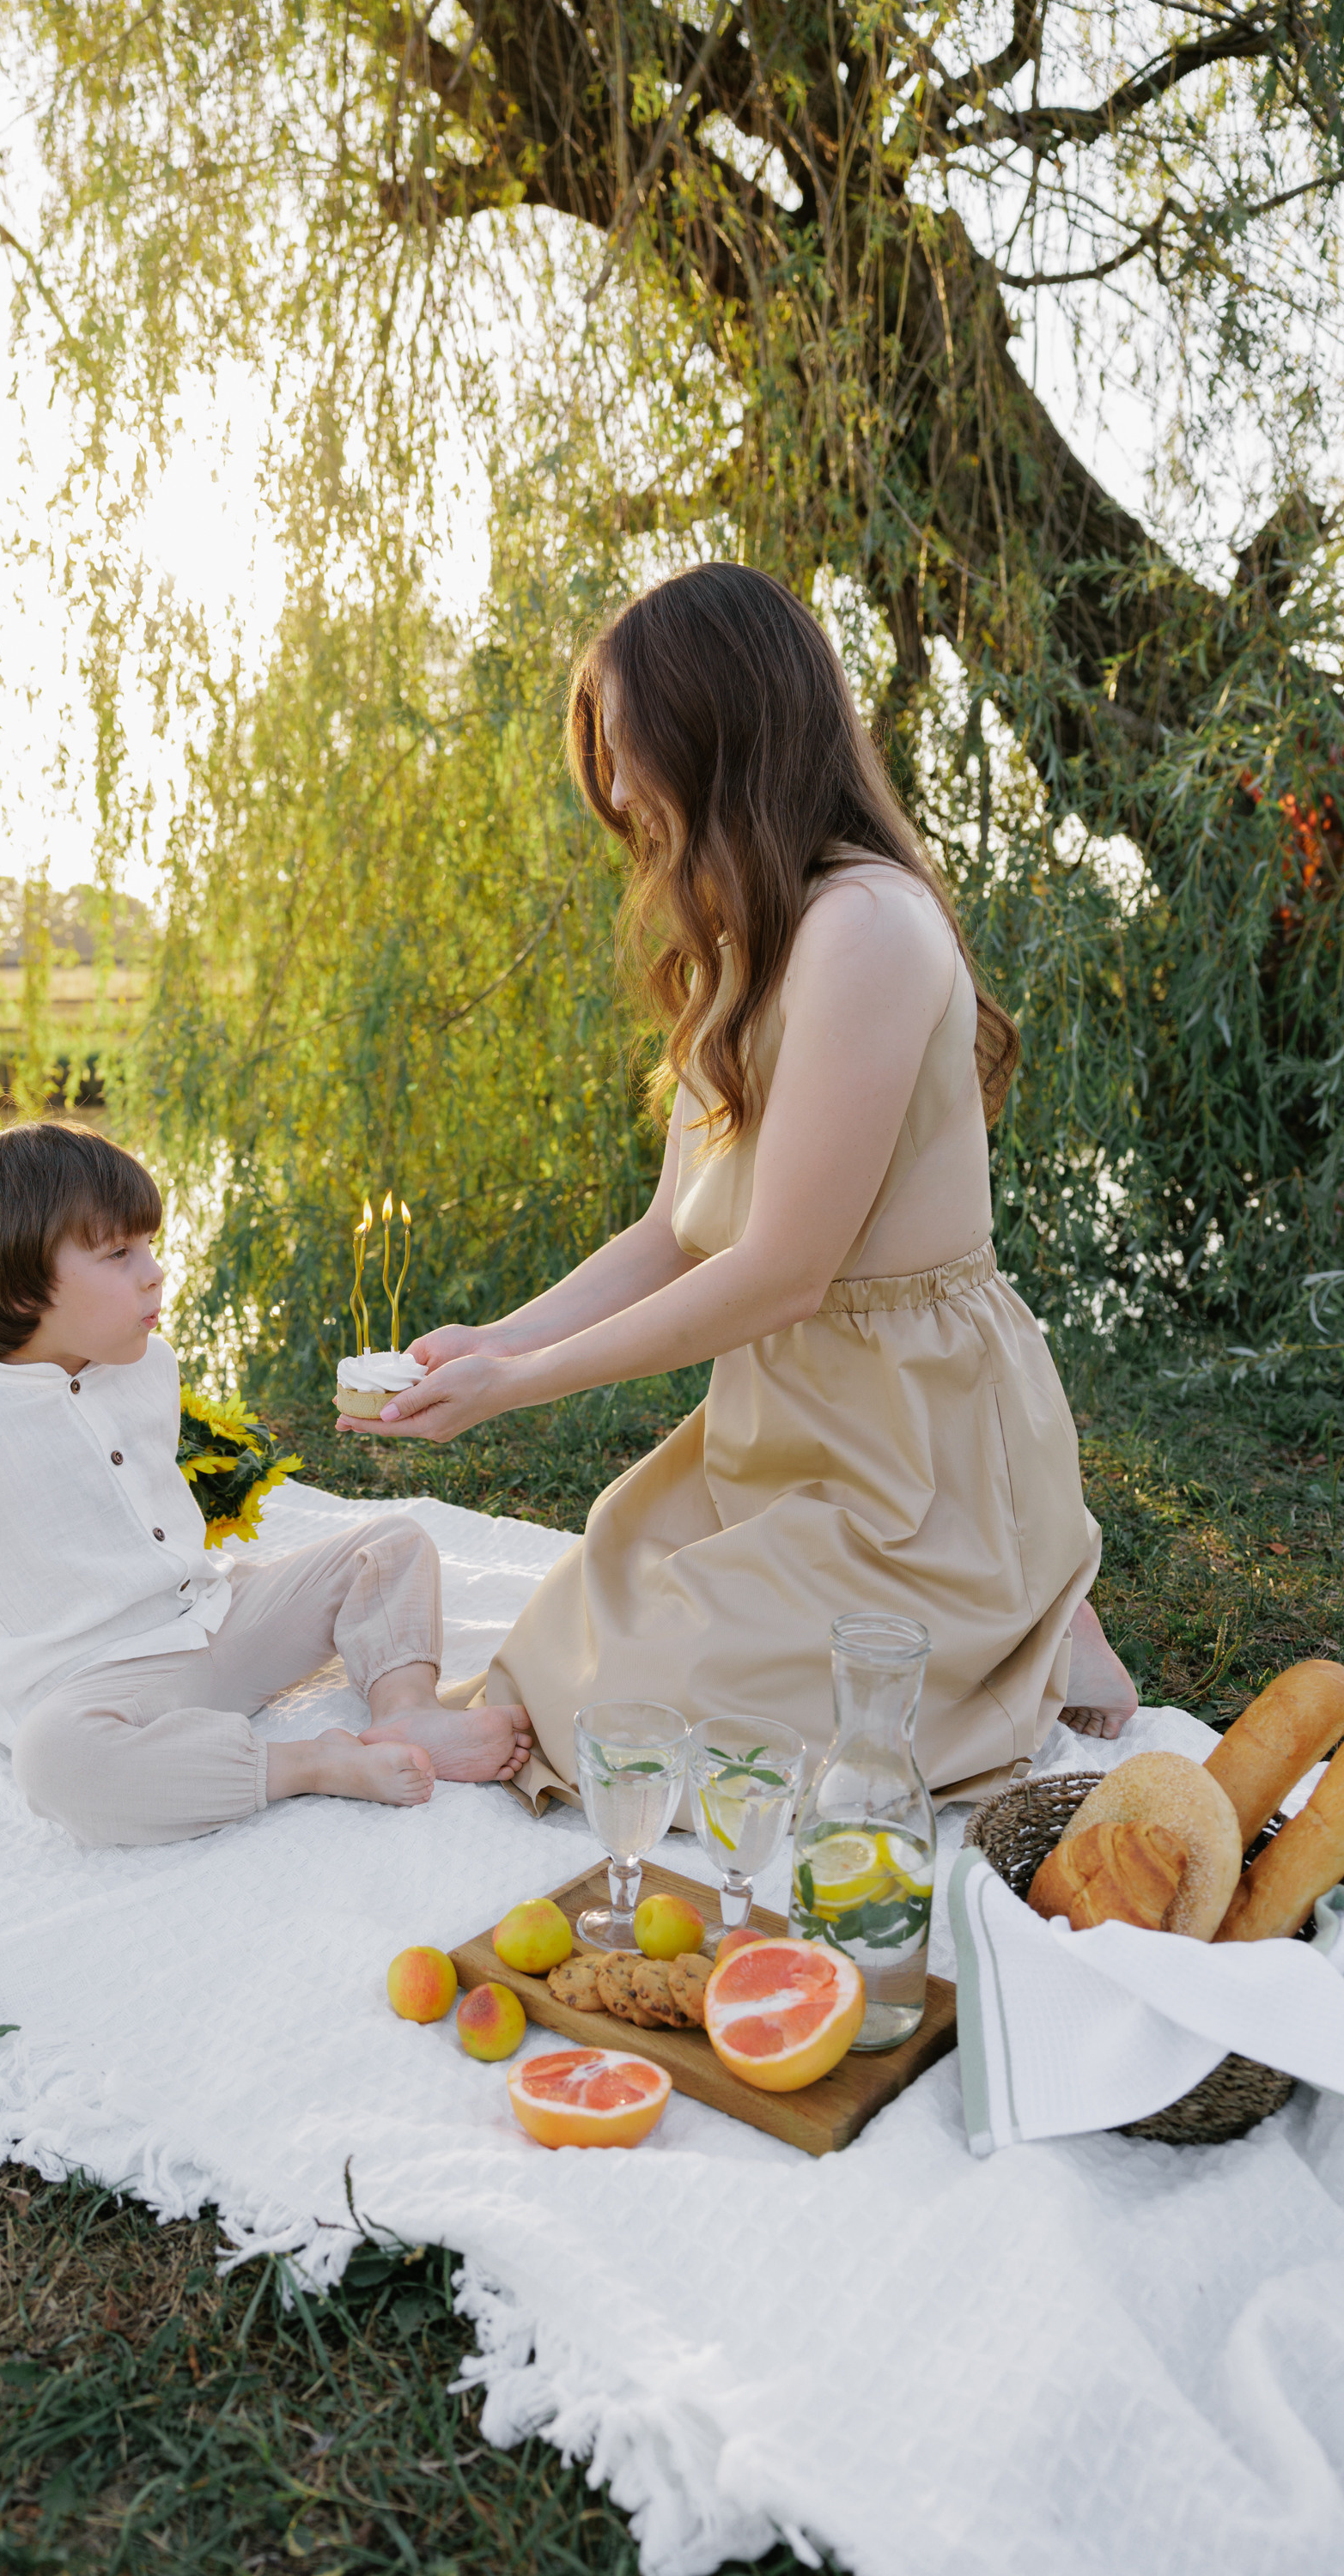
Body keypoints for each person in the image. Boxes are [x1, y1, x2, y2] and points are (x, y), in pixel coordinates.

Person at [344, 563, 1135, 1808]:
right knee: (566, 1646)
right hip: (779, 1423)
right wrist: (490, 1342)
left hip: (908, 1452)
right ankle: (1030, 1617)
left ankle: (1029, 1608)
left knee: (637, 1721)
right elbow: (673, 1234)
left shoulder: (868, 929)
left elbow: (780, 1270)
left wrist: (524, 1388)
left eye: (626, 748)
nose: (612, 788)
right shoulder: (745, 945)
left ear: (719, 728)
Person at [0, 1121, 532, 1843]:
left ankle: (405, 1708)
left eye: (148, 1245)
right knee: (55, 1764)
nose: (153, 1270)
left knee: (394, 1544)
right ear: (20, 1288)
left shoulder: (150, 1366)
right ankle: (305, 1764)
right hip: (97, 1687)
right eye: (119, 1253)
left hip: (214, 1622)